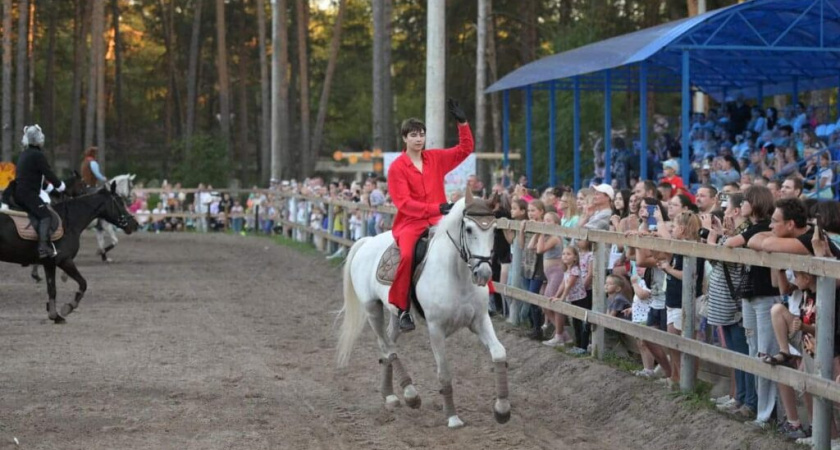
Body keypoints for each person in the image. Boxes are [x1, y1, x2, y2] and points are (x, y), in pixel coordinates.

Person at [387, 98, 473, 332]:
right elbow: (403, 203)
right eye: (413, 135)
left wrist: (463, 124)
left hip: (439, 220)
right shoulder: (397, 167)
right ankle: (403, 308)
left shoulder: (435, 158)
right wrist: (436, 208)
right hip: (410, 223)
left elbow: (465, 149)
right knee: (406, 256)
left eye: (421, 134)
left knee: (469, 243)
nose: (418, 139)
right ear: (405, 138)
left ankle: (481, 297)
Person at [13, 125, 65, 258]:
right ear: (39, 139)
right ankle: (43, 248)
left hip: (19, 192)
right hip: (28, 194)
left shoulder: (24, 154)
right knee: (45, 215)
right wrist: (60, 186)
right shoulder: (38, 155)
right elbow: (48, 173)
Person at [81, 146, 118, 262]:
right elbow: (97, 175)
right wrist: (105, 178)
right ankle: (101, 219)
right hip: (92, 188)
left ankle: (103, 254)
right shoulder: (93, 163)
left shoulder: (84, 163)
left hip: (84, 189)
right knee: (104, 202)